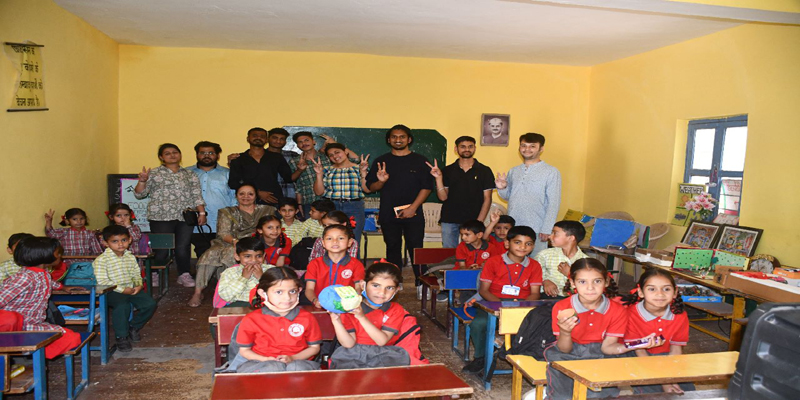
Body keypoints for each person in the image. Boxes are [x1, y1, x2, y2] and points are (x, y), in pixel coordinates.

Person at [545, 258, 647, 400]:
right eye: (582, 282)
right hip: (569, 353)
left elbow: (608, 347)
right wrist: (565, 332)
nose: (590, 287)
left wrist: (639, 343)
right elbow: (564, 349)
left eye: (597, 281)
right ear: (573, 283)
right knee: (562, 390)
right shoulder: (562, 307)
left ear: (606, 282)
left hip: (602, 353)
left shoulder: (617, 310)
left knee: (599, 393)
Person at [462, 225, 543, 373]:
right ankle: (480, 357)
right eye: (517, 242)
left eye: (528, 244)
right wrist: (501, 307)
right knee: (478, 324)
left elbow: (535, 293)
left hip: (522, 303)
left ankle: (518, 353)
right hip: (492, 301)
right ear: (507, 243)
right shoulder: (493, 262)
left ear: (533, 246)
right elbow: (484, 290)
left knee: (536, 325)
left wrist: (521, 307)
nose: (523, 247)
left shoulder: (535, 266)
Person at [365, 124, 433, 291]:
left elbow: (427, 187)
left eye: (402, 137)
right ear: (389, 140)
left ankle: (421, 284)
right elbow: (371, 188)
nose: (398, 140)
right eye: (394, 137)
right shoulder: (381, 161)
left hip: (414, 213)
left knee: (416, 248)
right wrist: (381, 181)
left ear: (409, 139)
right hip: (388, 213)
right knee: (392, 247)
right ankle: (395, 282)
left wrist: (413, 208)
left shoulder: (420, 161)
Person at [190, 184, 275, 308]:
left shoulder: (267, 210)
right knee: (210, 253)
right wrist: (235, 241)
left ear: (256, 196)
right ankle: (198, 292)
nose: (246, 197)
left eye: (250, 194)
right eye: (242, 194)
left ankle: (235, 289)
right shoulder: (227, 212)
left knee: (231, 252)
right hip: (229, 241)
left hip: (253, 243)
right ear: (236, 196)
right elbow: (223, 233)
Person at [134, 143, 206, 288]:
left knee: (183, 246)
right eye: (167, 153)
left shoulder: (189, 174)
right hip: (160, 216)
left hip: (185, 217)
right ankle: (154, 273)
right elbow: (140, 194)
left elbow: (196, 195)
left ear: (180, 154)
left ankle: (184, 274)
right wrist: (142, 181)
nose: (172, 155)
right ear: (161, 157)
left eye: (175, 152)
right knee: (161, 247)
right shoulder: (154, 173)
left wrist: (202, 212)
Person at [225, 267, 321, 373]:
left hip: (299, 362)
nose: (287, 297)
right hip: (259, 363)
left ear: (299, 291)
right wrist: (266, 360)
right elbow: (244, 351)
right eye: (279, 292)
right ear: (263, 293)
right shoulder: (251, 319)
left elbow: (314, 348)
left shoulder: (307, 318)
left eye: (292, 291)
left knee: (296, 368)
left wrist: (293, 358)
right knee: (273, 368)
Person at [0, 237, 82, 359]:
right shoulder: (24, 277)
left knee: (72, 338)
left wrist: (62, 287)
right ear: (44, 256)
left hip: (34, 323)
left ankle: (29, 349)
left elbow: (49, 282)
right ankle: (17, 348)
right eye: (57, 253)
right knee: (10, 319)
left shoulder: (43, 273)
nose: (60, 256)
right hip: (18, 326)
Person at [328, 261, 410, 369]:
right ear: (363, 285)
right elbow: (348, 344)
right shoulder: (349, 308)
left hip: (384, 354)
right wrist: (336, 321)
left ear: (396, 290)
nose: (382, 292)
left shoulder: (395, 310)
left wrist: (361, 317)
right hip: (352, 354)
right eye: (376, 285)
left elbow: (381, 341)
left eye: (389, 288)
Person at [623, 269, 693, 394]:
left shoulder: (679, 315)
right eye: (652, 289)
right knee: (651, 391)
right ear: (641, 292)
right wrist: (664, 382)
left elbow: (676, 349)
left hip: (667, 356)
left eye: (666, 289)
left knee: (687, 390)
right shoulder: (630, 314)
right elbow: (639, 351)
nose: (660, 294)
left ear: (675, 292)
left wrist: (672, 378)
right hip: (637, 355)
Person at [496, 133, 561, 257]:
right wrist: (502, 187)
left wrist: (547, 228)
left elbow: (554, 202)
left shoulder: (551, 172)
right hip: (514, 227)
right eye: (523, 145)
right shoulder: (514, 171)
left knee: (536, 263)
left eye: (532, 146)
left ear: (541, 149)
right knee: (514, 262)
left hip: (537, 229)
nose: (527, 149)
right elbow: (508, 197)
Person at [94, 226, 157, 352]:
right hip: (110, 291)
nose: (120, 244)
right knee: (123, 306)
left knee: (150, 304)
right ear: (106, 243)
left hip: (131, 288)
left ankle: (133, 326)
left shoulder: (130, 257)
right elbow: (103, 282)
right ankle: (121, 337)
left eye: (123, 240)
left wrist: (138, 285)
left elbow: (136, 274)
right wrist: (122, 290)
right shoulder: (101, 260)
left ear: (129, 240)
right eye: (115, 241)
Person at [427, 136, 494, 248]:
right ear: (456, 149)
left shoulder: (485, 171)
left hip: (473, 219)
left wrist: (479, 221)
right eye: (463, 147)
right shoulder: (447, 170)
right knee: (449, 253)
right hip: (449, 219)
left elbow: (487, 198)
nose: (467, 149)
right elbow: (443, 197)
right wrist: (438, 178)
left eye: (470, 146)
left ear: (475, 148)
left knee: (471, 252)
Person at [311, 142, 371, 245]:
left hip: (354, 207)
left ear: (346, 151)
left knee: (353, 240)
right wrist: (319, 174)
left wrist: (363, 172)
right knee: (332, 238)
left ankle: (353, 256)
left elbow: (367, 190)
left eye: (337, 152)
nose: (335, 156)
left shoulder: (359, 168)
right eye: (331, 155)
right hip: (332, 207)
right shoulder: (326, 170)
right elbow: (318, 192)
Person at [187, 141, 237, 258]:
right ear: (197, 155)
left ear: (218, 155)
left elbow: (234, 197)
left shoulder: (227, 173)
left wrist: (233, 220)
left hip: (221, 223)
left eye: (211, 153)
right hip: (195, 224)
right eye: (202, 153)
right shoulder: (186, 173)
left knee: (223, 254)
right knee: (202, 254)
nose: (206, 155)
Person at [228, 127, 293, 207]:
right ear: (248, 139)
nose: (258, 138)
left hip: (273, 200)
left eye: (262, 136)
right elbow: (233, 183)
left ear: (266, 140)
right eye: (255, 136)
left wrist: (300, 169)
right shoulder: (238, 159)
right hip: (248, 201)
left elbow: (288, 178)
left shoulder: (276, 157)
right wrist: (257, 192)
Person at [304, 224, 365, 308]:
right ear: (323, 243)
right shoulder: (314, 264)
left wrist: (354, 302)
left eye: (341, 238)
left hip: (346, 307)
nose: (335, 241)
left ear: (349, 242)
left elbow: (358, 288)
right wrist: (315, 300)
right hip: (320, 306)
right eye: (329, 238)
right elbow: (309, 289)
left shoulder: (356, 264)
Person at [535, 220, 589, 299]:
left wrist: (570, 274)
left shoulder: (586, 261)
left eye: (555, 233)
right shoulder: (544, 255)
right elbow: (534, 274)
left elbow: (588, 284)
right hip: (547, 297)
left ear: (571, 238)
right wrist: (545, 281)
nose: (550, 236)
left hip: (574, 298)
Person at [216, 237, 274, 308]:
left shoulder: (270, 270)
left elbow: (278, 291)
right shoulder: (230, 272)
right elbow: (225, 296)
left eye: (259, 256)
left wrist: (262, 278)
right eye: (247, 256)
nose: (254, 260)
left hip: (264, 304)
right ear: (237, 256)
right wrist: (243, 278)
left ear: (264, 256)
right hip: (238, 305)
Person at [267, 128, 297, 201]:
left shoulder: (293, 155)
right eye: (275, 138)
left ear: (285, 141)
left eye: (282, 139)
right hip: (267, 197)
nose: (278, 141)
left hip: (290, 196)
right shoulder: (260, 155)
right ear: (268, 139)